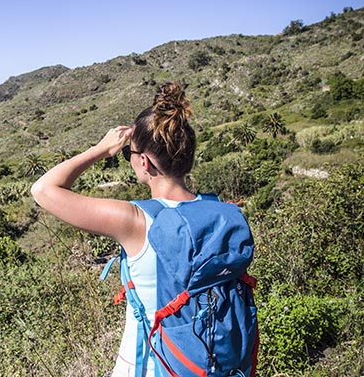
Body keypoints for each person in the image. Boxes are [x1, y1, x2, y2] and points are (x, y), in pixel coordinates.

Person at [30, 82, 244, 376]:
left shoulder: (135, 220)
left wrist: (100, 150)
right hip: (214, 364)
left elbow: (43, 189)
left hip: (152, 367)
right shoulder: (221, 211)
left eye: (127, 154)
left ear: (144, 161)